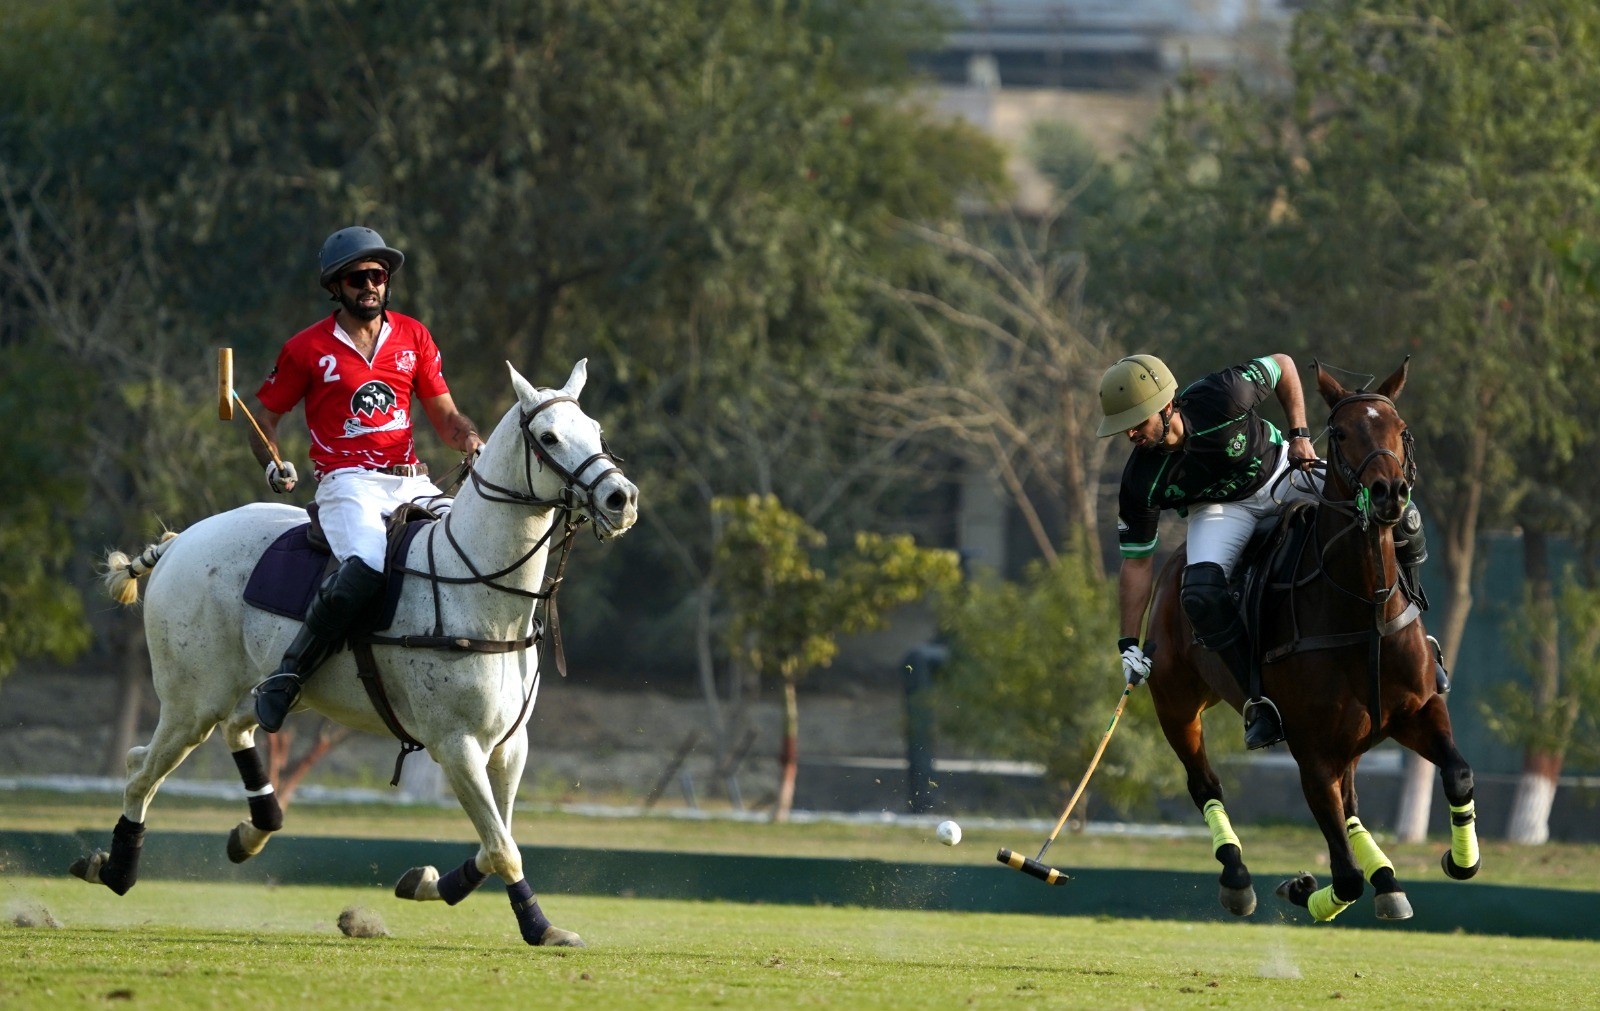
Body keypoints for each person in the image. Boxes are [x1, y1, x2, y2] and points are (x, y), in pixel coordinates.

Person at [247, 226, 485, 733]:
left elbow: (447, 418)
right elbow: (263, 417)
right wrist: (273, 463)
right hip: (346, 482)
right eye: (358, 277)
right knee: (366, 565)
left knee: (470, 543)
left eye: (378, 275)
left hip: (410, 480)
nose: (370, 285)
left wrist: (469, 439)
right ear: (336, 286)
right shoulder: (307, 348)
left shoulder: (413, 336)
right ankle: (289, 674)